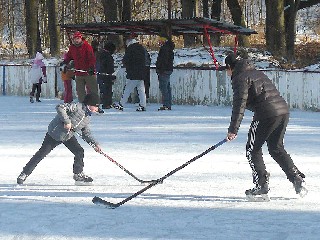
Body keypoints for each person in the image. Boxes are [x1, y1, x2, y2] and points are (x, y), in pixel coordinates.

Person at [224, 52, 306, 199]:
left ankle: (261, 186)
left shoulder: (240, 78)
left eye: (226, 69)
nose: (226, 72)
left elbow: (239, 104)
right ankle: (296, 178)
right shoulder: (255, 72)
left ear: (230, 67)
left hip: (266, 114)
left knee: (252, 149)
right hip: (282, 111)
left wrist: (233, 129)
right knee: (276, 147)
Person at [17, 93, 103, 185]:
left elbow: (86, 133)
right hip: (55, 133)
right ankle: (24, 173)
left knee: (79, 151)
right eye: (96, 106)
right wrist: (67, 121)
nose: (97, 109)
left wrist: (95, 144)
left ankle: (78, 174)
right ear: (89, 104)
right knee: (41, 153)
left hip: (68, 136)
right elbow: (60, 107)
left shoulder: (87, 117)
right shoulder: (77, 107)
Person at [62, 32, 102, 113]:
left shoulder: (87, 46)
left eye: (78, 38)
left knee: (93, 90)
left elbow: (91, 57)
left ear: (81, 38)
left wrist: (91, 67)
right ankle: (83, 108)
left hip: (89, 73)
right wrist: (65, 63)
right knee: (80, 92)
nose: (76, 40)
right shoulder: (72, 48)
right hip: (78, 73)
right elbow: (69, 57)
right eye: (75, 39)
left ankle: (96, 106)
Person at [113, 35, 147, 112]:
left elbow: (126, 60)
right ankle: (143, 105)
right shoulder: (141, 48)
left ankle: (121, 104)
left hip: (133, 73)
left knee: (127, 89)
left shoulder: (130, 49)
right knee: (141, 90)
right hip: (141, 73)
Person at [156, 32, 175, 111]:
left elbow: (163, 60)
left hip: (164, 70)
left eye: (160, 40)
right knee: (167, 87)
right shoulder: (169, 48)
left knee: (164, 88)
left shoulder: (164, 48)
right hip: (168, 69)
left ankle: (166, 104)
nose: (159, 42)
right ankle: (168, 104)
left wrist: (160, 69)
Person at [99, 41, 117, 109]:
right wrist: (112, 75)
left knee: (105, 89)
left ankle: (107, 102)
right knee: (108, 90)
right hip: (107, 75)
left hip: (102, 74)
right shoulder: (108, 56)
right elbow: (109, 67)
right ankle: (106, 103)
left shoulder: (102, 54)